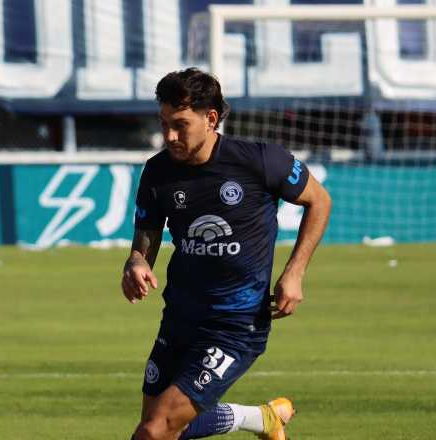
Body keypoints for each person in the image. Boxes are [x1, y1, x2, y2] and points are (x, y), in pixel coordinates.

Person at [122, 68, 331, 440]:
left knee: (156, 430)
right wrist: (137, 262)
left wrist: (295, 271)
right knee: (160, 425)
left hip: (235, 325)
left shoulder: (260, 161)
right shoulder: (157, 172)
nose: (169, 135)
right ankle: (263, 419)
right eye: (164, 123)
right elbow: (145, 239)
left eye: (180, 125)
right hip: (180, 317)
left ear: (211, 119)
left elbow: (319, 200)